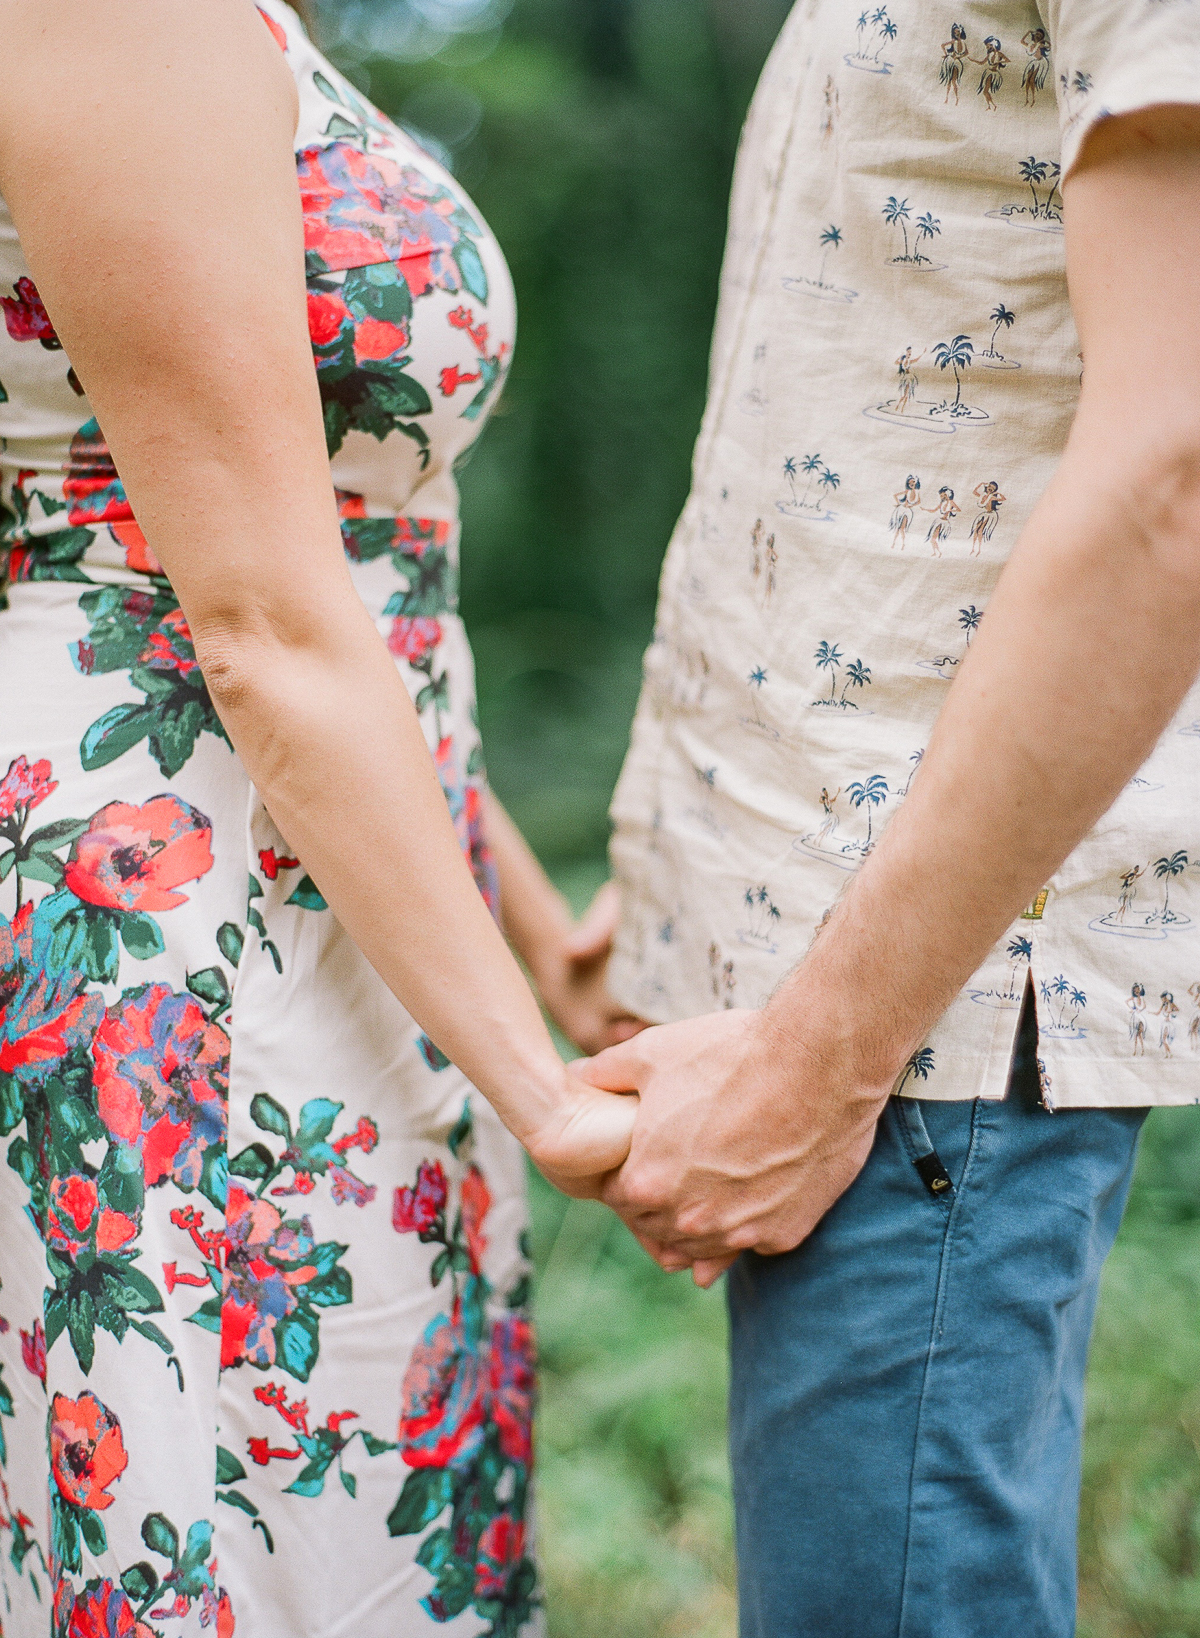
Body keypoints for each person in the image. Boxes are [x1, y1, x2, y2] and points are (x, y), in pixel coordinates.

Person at [0, 3, 640, 1633]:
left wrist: (527, 927)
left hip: (323, 880)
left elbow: (330, 585)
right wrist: (553, 1100)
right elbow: (259, 622)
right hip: (177, 915)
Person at [583, 3, 1200, 1634]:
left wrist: (819, 1060)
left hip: (923, 1010)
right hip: (837, 975)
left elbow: (1175, 480)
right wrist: (670, 871)